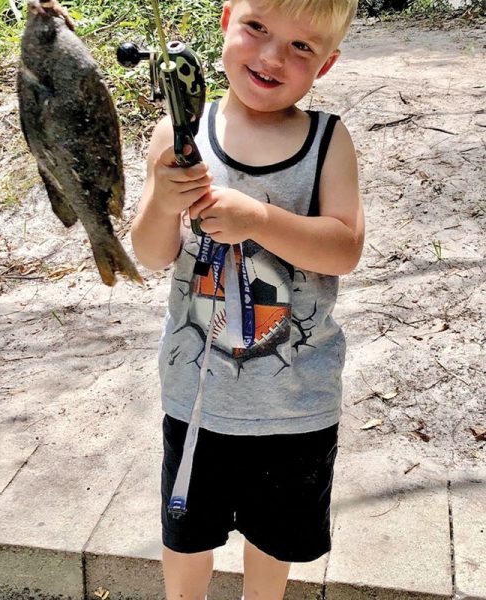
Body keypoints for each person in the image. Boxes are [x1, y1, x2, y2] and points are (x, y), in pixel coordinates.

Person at [130, 0, 363, 598]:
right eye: (257, 28)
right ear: (228, 17)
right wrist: (162, 197)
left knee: (272, 545)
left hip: (295, 404)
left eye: (301, 47)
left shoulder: (329, 141)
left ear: (327, 65)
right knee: (187, 539)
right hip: (196, 399)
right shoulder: (180, 134)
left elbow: (344, 248)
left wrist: (258, 217)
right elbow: (152, 254)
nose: (270, 56)